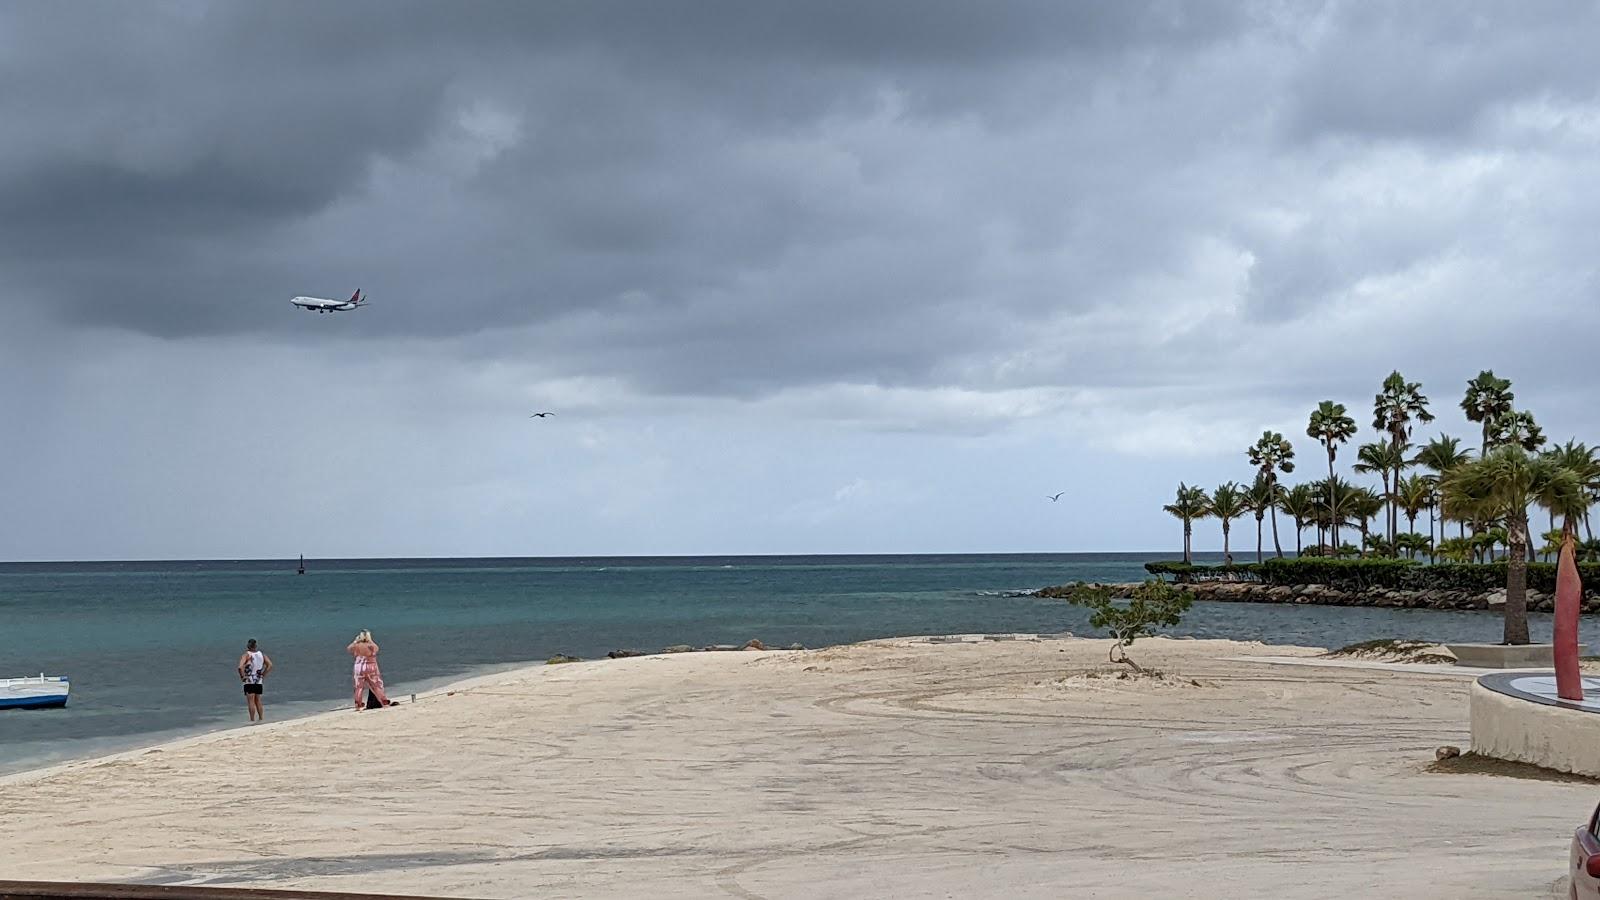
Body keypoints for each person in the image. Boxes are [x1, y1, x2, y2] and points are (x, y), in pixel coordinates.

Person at [347, 630, 392, 711]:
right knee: (376, 685)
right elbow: (376, 649)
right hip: (370, 666)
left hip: (359, 667)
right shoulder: (370, 645)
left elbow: (349, 649)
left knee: (358, 686)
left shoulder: (357, 645)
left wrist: (355, 641)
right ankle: (384, 701)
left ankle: (358, 704)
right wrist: (371, 641)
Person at [237, 639, 272, 722]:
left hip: (249, 680)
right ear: (255, 646)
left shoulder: (246, 655)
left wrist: (242, 676)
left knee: (251, 701)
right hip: (258, 680)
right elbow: (270, 665)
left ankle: (252, 719)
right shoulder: (261, 654)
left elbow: (240, 667)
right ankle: (261, 718)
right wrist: (263, 674)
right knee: (258, 700)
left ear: (248, 646)